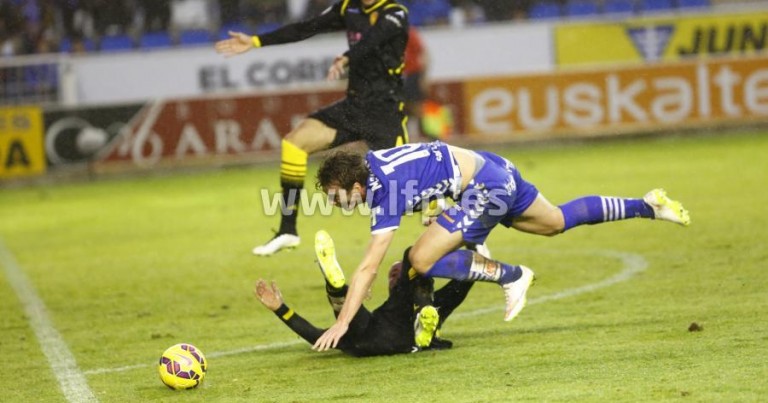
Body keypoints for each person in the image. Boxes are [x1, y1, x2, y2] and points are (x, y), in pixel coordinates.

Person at [311, 140, 691, 351]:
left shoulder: (385, 195)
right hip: (495, 167)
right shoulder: (371, 162)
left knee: (418, 259)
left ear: (357, 188)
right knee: (555, 222)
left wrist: (344, 322)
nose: (333, 203)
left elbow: (368, 267)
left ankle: (513, 276)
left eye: (334, 196)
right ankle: (649, 206)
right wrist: (437, 203)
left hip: (485, 188)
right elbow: (428, 159)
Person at [214, 0, 411, 256]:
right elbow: (308, 27)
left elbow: (374, 39)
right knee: (295, 143)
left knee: (411, 190)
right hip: (353, 107)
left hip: (384, 112)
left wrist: (346, 57)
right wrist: (256, 41)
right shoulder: (347, 7)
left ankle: (466, 234)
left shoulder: (395, 13)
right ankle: (288, 231)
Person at [254, 230, 474, 357]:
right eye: (393, 275)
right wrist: (471, 241)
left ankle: (337, 288)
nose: (394, 276)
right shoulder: (424, 304)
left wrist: (281, 309)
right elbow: (461, 285)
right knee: (415, 258)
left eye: (395, 274)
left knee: (346, 321)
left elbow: (317, 336)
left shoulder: (382, 316)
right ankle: (422, 310)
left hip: (365, 345)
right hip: (403, 339)